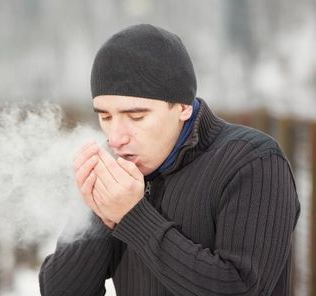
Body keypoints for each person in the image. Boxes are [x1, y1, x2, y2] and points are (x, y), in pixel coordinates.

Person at [39, 24, 300, 296]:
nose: (116, 137)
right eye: (105, 117)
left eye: (136, 116)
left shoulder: (253, 162)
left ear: (183, 107)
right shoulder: (116, 170)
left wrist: (132, 216)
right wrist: (101, 214)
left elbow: (241, 289)